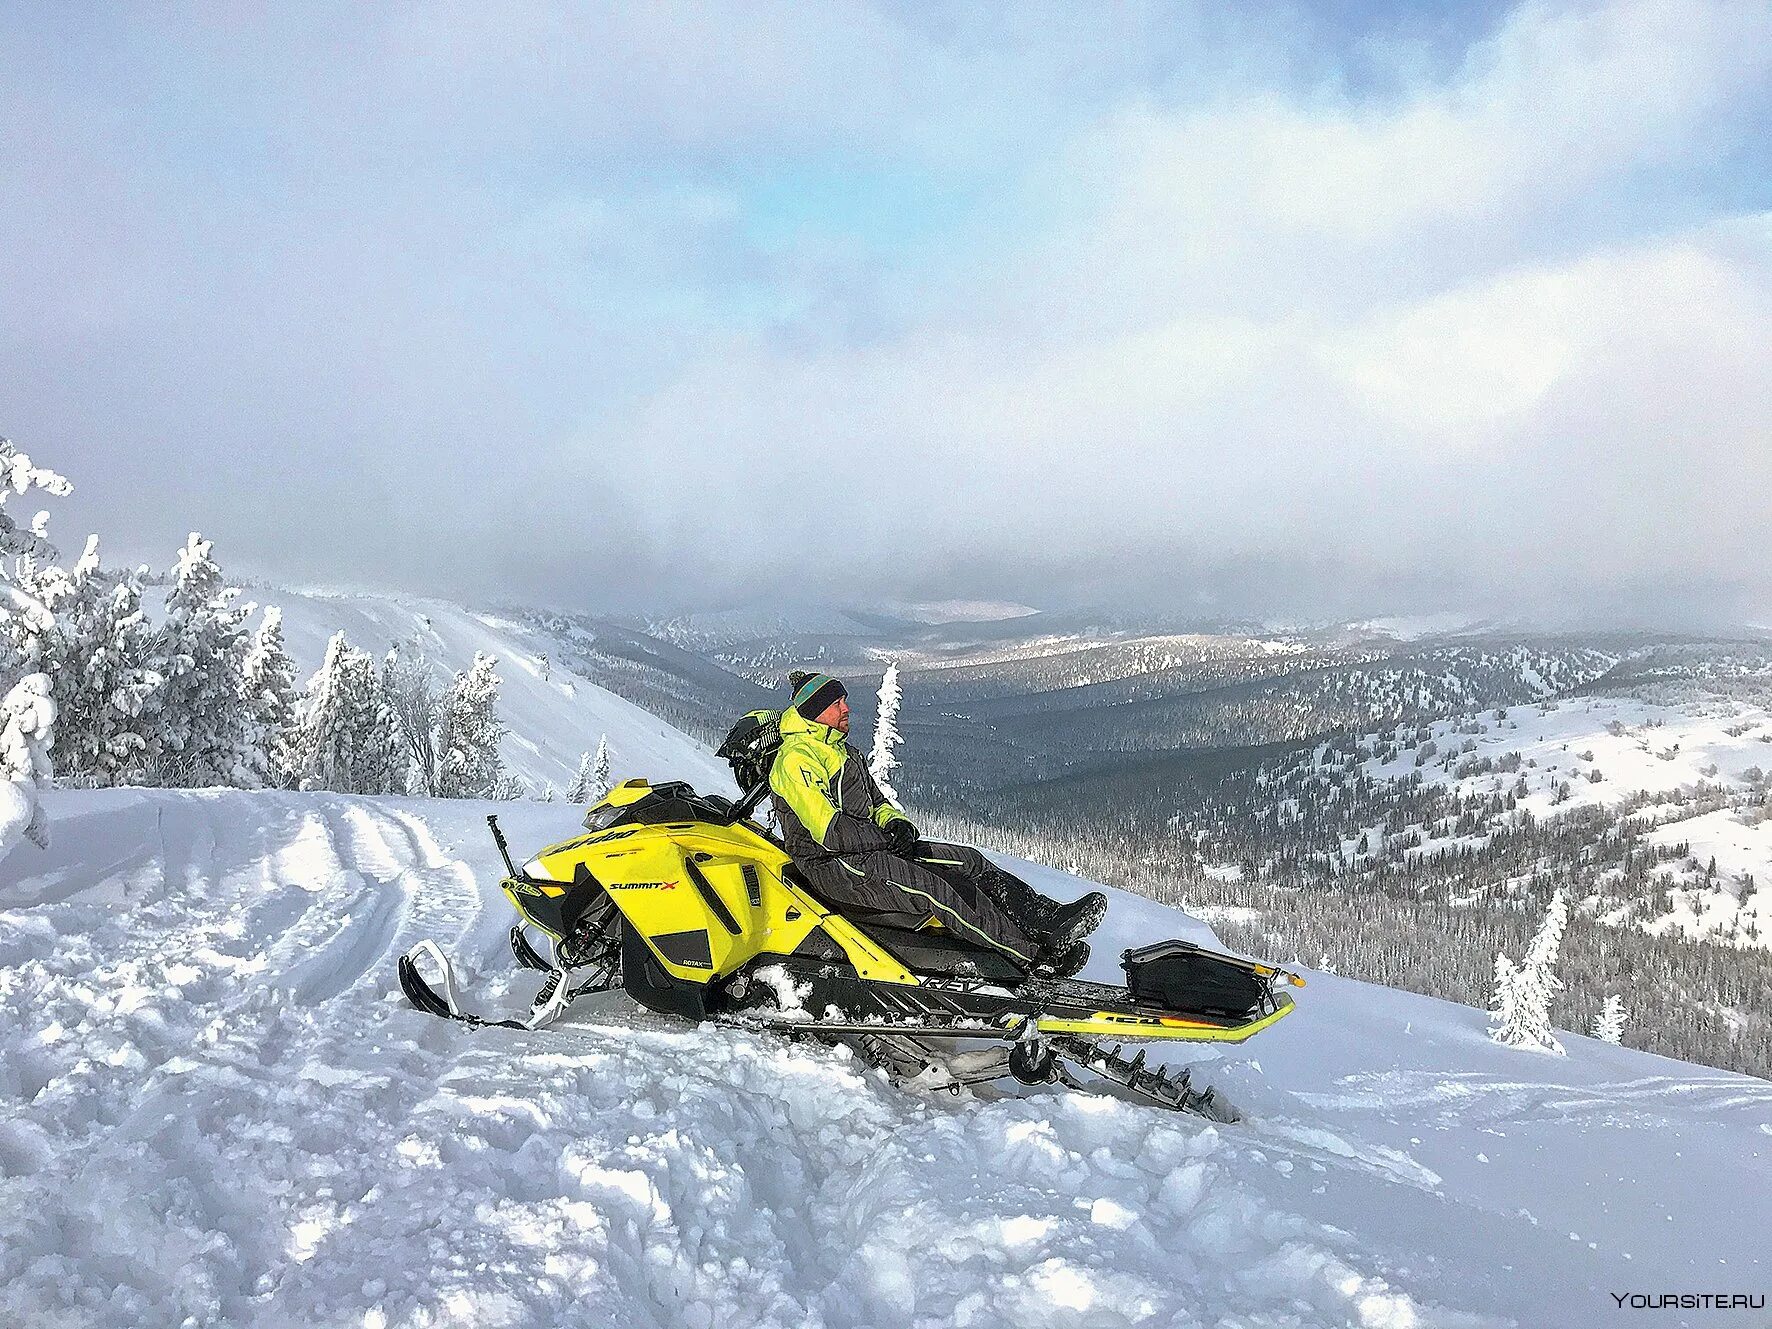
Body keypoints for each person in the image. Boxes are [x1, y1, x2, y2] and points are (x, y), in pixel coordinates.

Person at [767, 671, 1105, 978]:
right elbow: (829, 831)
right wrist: (885, 838)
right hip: (836, 866)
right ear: (814, 712)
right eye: (836, 703)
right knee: (938, 890)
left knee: (969, 862)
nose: (846, 708)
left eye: (844, 700)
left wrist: (897, 824)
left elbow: (878, 803)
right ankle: (1033, 956)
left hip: (868, 850)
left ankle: (1047, 920)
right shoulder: (796, 760)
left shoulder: (842, 751)